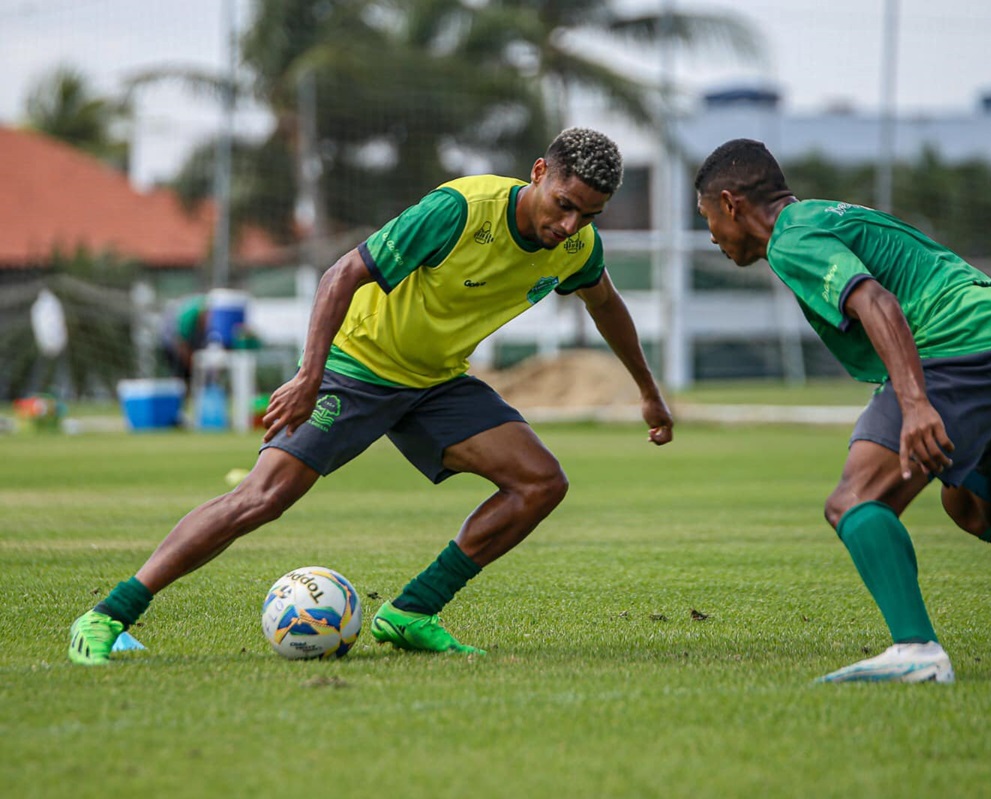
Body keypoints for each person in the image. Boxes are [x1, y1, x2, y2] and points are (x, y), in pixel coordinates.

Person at [69, 127, 674, 665]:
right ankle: (106, 617)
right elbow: (342, 274)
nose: (569, 226)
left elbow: (607, 305)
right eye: (565, 206)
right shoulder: (460, 211)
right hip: (354, 367)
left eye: (587, 216)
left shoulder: (576, 248)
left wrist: (647, 392)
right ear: (539, 174)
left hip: (435, 381)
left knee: (541, 482)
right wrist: (309, 376)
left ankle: (411, 613)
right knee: (263, 497)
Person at [693, 138, 991, 683]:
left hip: (966, 345)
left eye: (707, 217)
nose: (711, 234)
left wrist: (915, 402)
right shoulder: (825, 216)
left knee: (854, 499)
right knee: (976, 506)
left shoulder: (792, 237)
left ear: (731, 203)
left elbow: (875, 301)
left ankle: (915, 651)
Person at [159, 294, 208, 383]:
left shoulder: (207, 310)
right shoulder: (187, 319)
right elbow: (181, 344)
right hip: (170, 339)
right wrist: (191, 365)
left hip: (187, 336)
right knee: (179, 367)